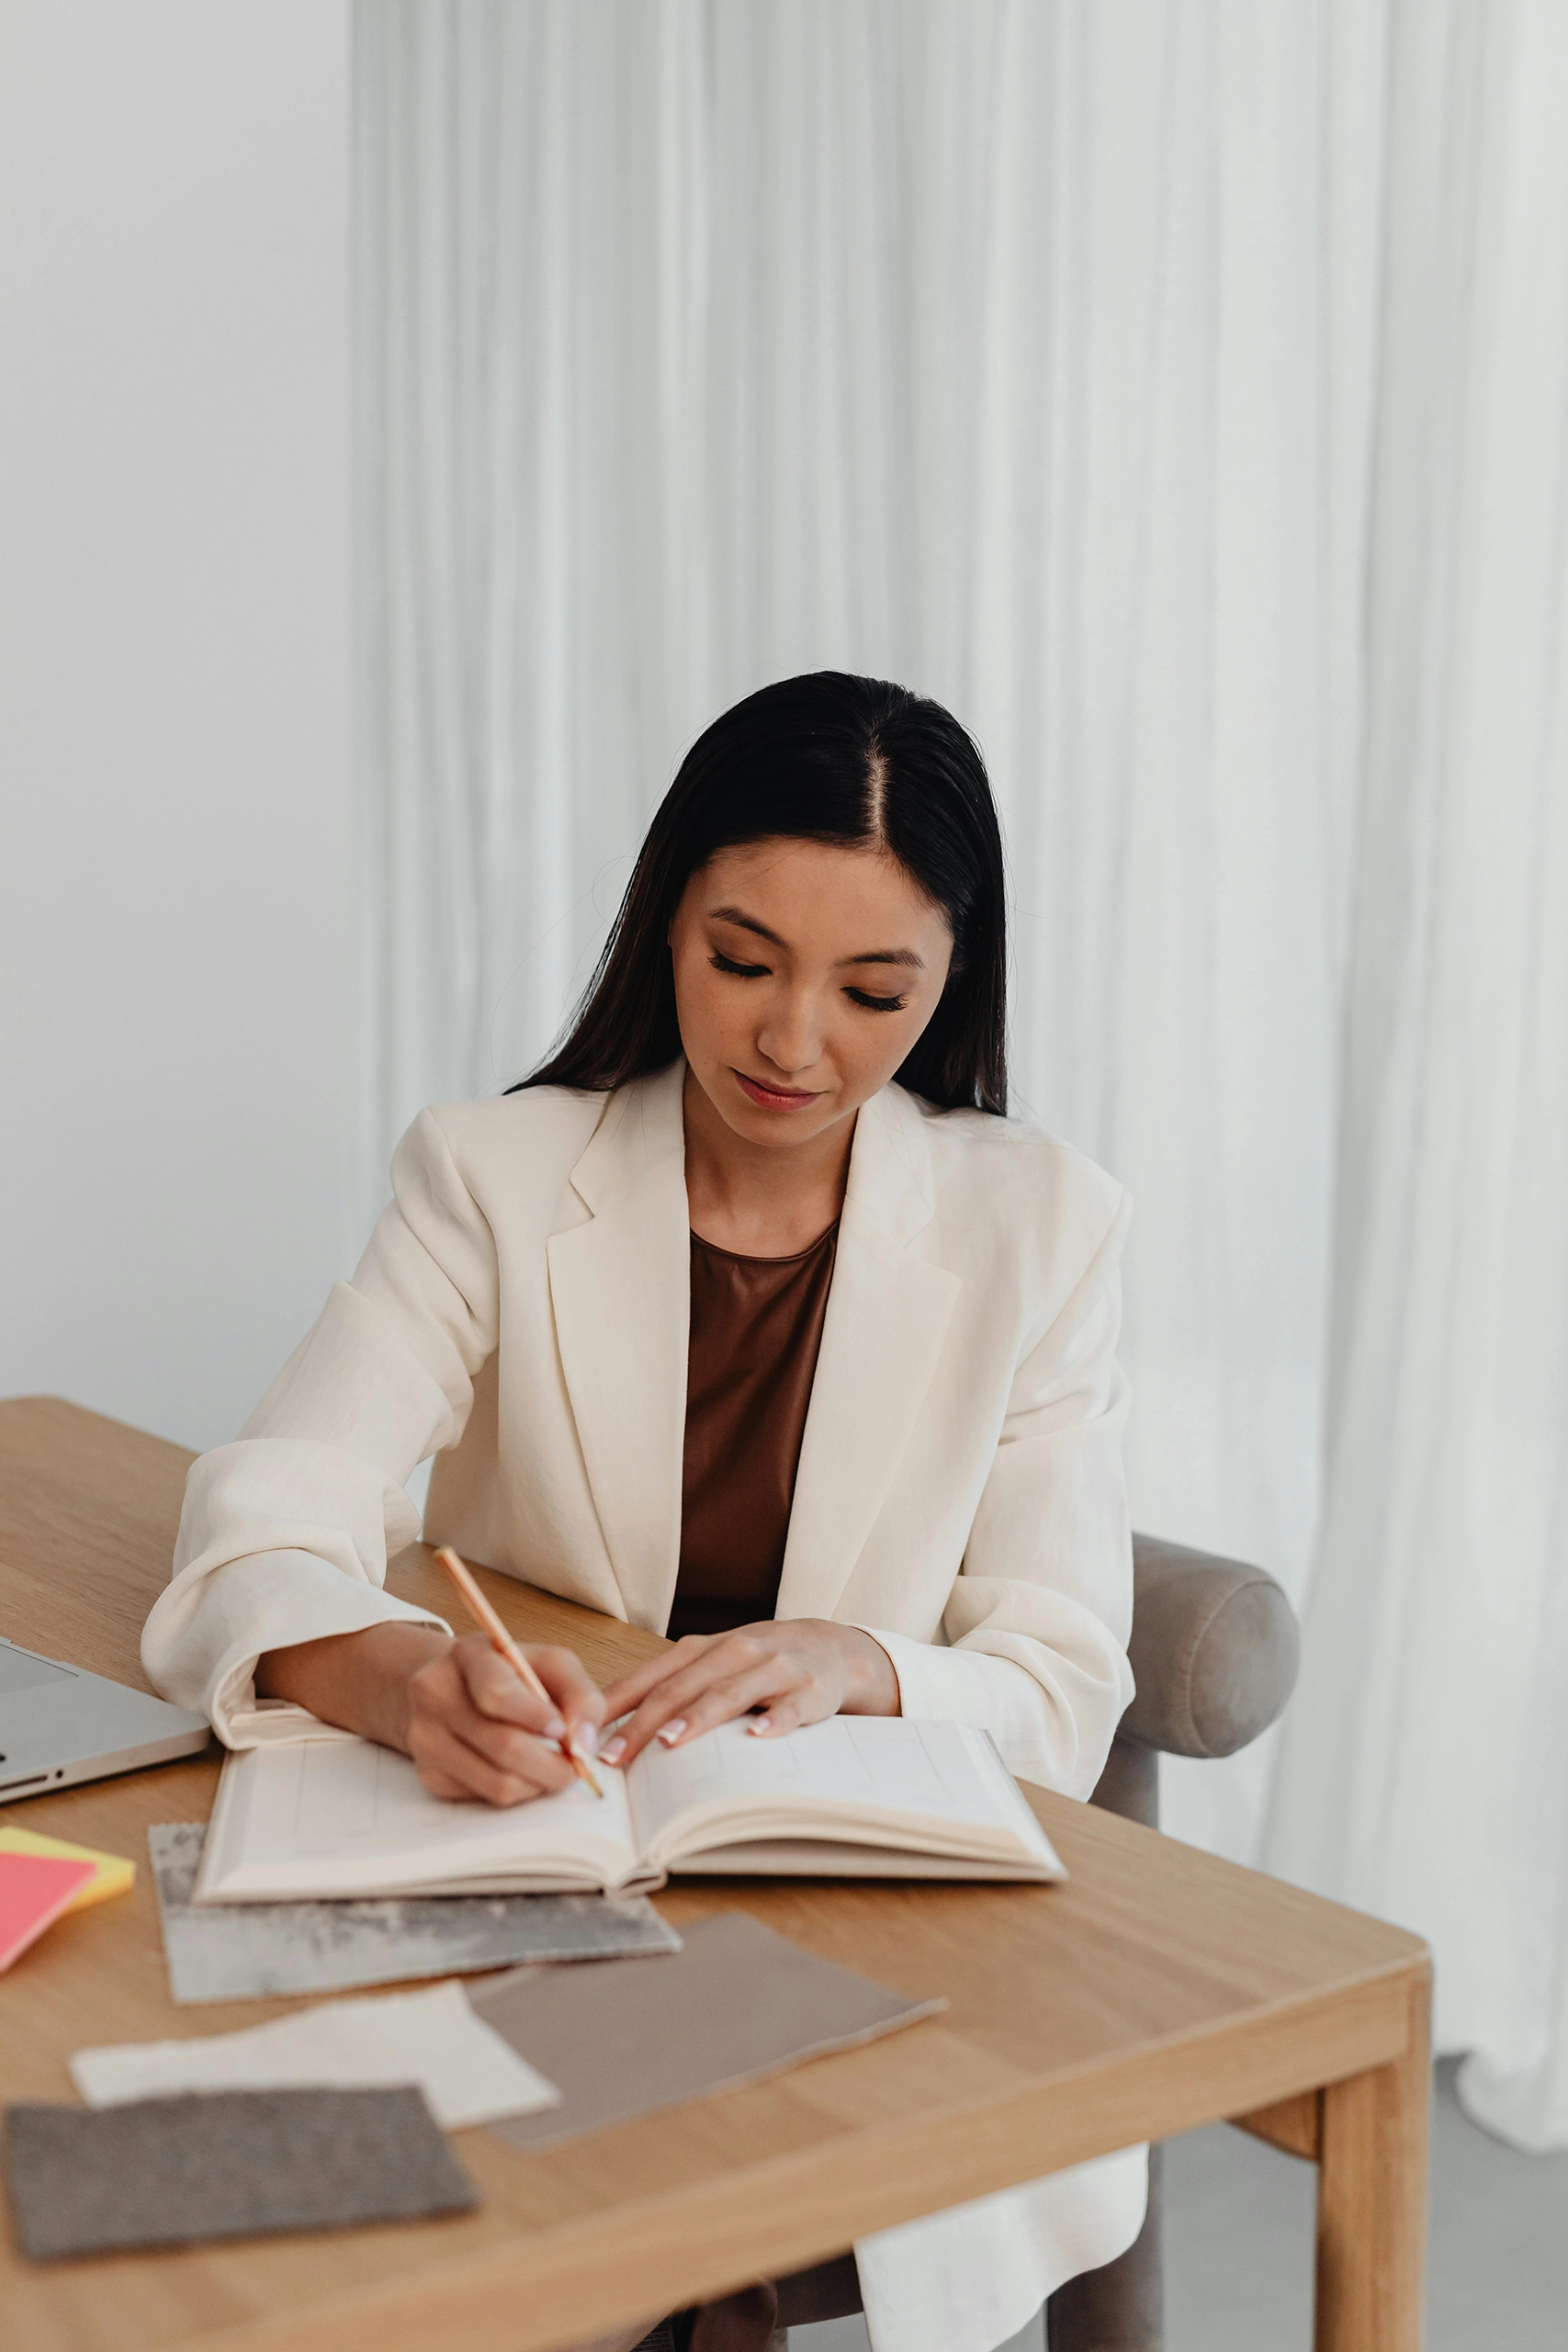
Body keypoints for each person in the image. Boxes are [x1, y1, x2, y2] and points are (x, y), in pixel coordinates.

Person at [143, 671, 1145, 2352]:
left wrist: (856, 1659)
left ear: (951, 981)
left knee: (642, 2192)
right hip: (527, 1850)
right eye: (741, 961)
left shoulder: (1041, 1227)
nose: (791, 1040)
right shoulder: (490, 1174)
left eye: (872, 990)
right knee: (301, 2184)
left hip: (832, 1889)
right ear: (662, 922)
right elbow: (265, 1517)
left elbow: (1059, 1672)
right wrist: (402, 1682)